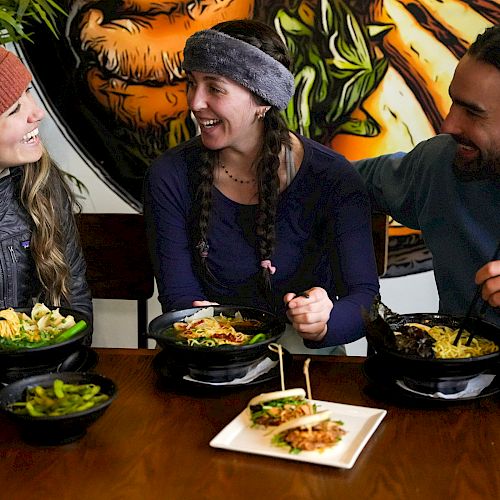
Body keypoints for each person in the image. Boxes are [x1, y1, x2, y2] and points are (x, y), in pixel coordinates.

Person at [144, 19, 379, 353]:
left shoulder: (333, 178)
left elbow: (365, 299)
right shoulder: (169, 176)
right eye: (192, 84)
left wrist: (324, 320)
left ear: (263, 100)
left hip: (304, 363)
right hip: (205, 352)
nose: (195, 103)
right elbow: (178, 299)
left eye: (215, 88)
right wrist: (221, 342)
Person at [355, 25, 500, 327]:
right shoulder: (440, 163)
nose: (448, 125)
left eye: (473, 113)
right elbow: (339, 178)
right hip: (453, 370)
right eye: (453, 102)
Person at [0, 47, 92, 322]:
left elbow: (74, 298)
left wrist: (67, 361)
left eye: (28, 91)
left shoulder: (42, 180)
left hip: (43, 365)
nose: (37, 113)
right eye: (15, 109)